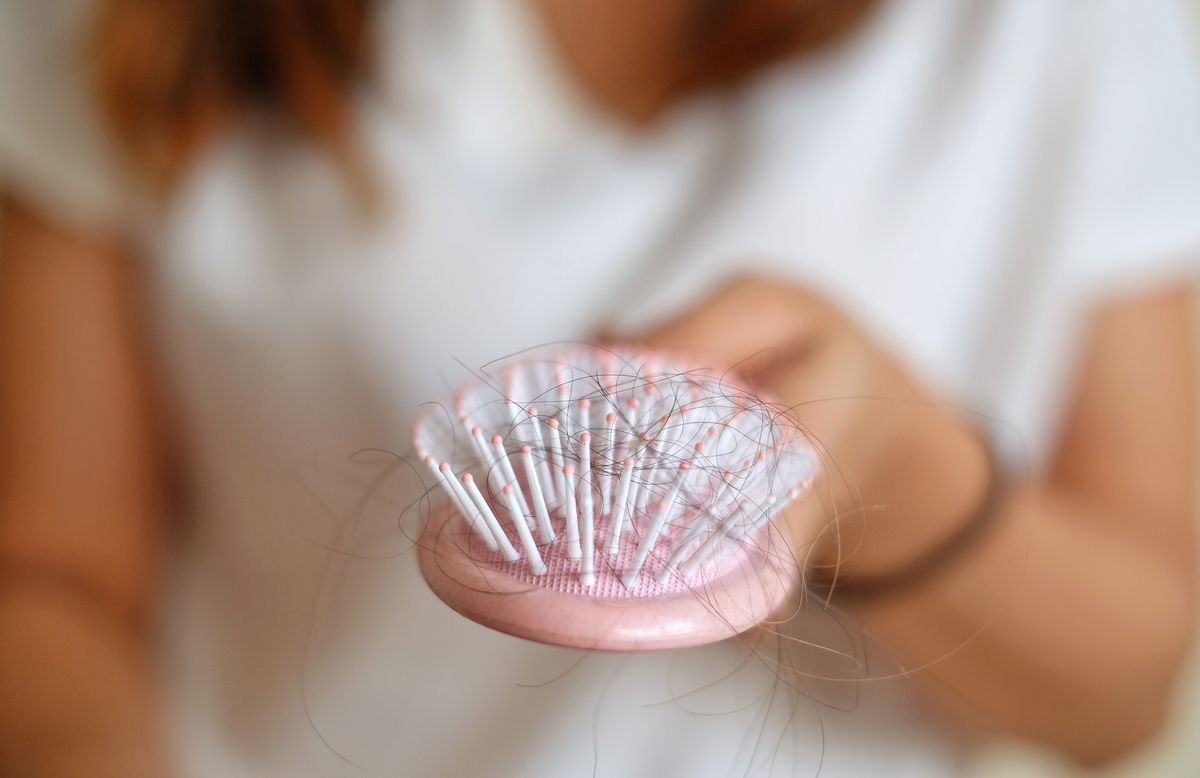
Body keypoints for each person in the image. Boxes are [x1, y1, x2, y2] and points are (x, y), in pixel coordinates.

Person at [1, 1, 1198, 775]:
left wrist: (887, 463)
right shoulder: (129, 25)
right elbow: (52, 573)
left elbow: (1124, 698)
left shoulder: (1085, 33)